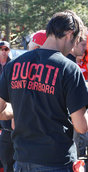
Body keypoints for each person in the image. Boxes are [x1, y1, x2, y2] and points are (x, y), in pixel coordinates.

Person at [0, 10, 88, 172]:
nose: (73, 47)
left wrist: (21, 108)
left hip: (22, 160)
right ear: (69, 34)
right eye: (76, 40)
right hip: (56, 161)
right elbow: (81, 126)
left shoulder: (13, 65)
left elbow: (1, 111)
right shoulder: (69, 69)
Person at [0, 41, 14, 172]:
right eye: (1, 49)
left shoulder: (14, 65)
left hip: (10, 105)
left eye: (6, 49)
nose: (3, 51)